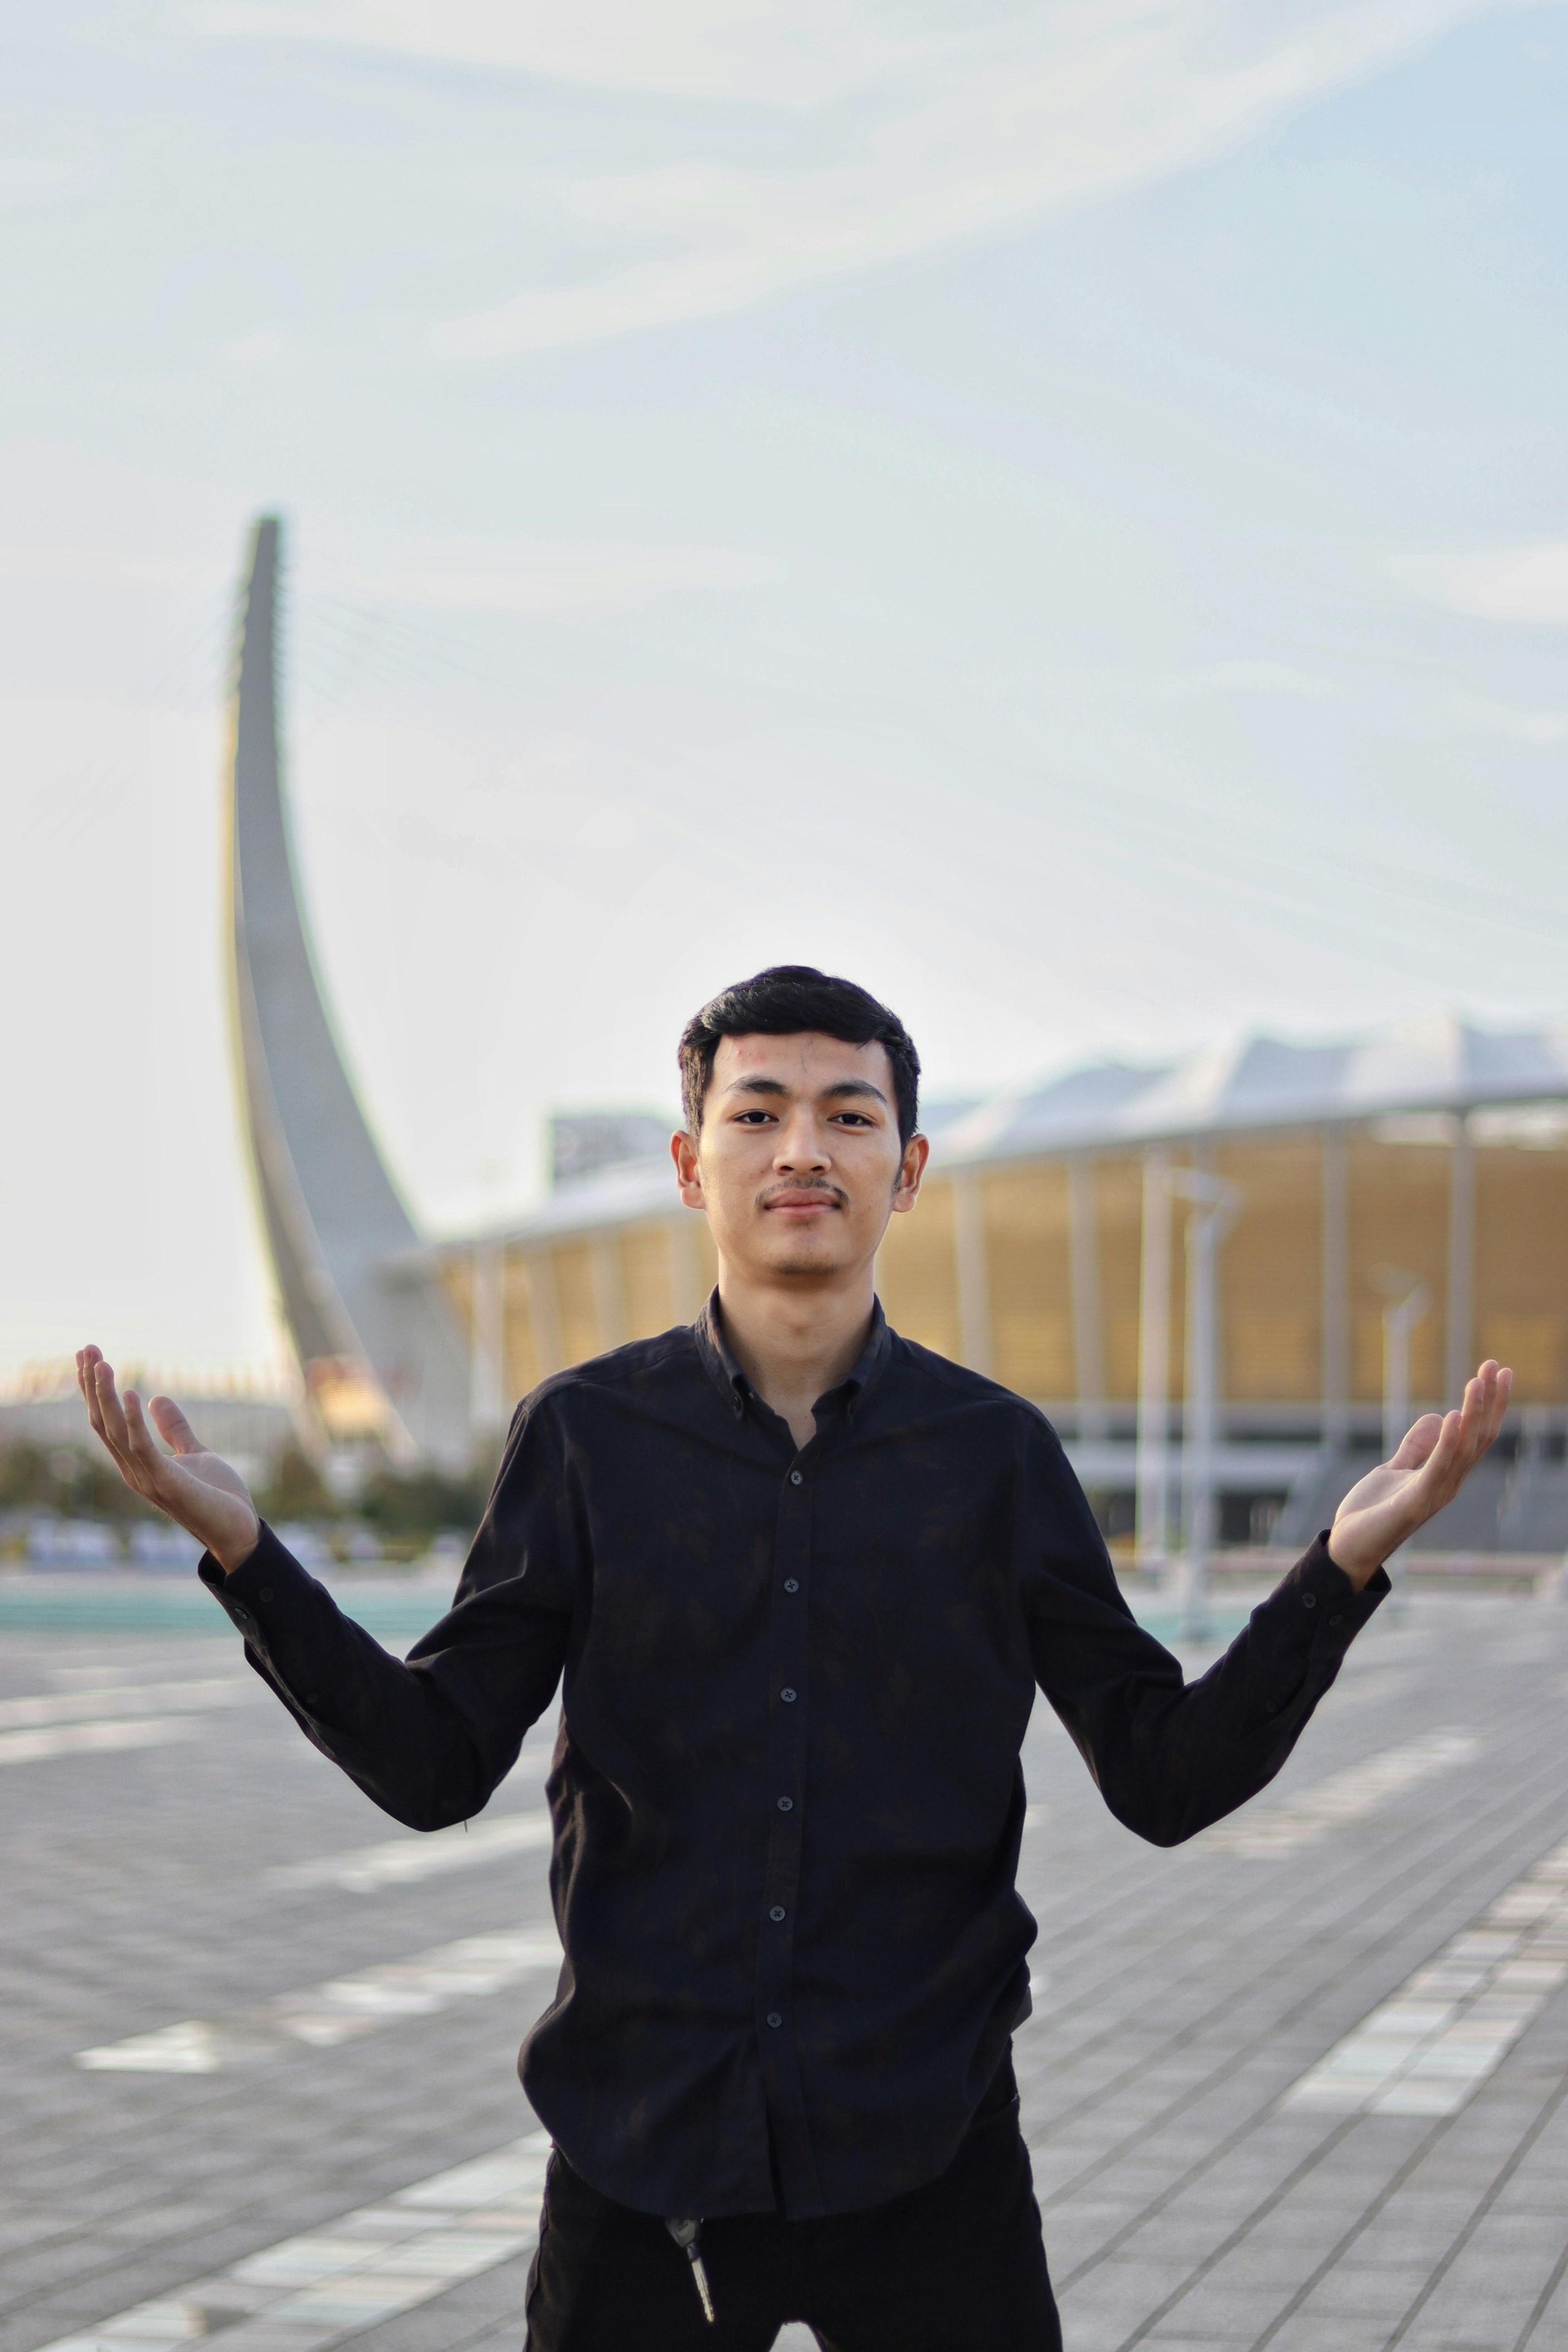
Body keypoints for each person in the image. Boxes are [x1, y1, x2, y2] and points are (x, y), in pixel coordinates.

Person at [77, 965, 1510, 2352]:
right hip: (643, 2155)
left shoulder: (993, 1456)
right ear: (693, 1165)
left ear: (910, 1164)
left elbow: (1161, 1774)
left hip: (928, 2152)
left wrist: (1337, 1570)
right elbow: (438, 1760)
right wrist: (250, 1560)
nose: (802, 1150)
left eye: (847, 1113)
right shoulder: (584, 1438)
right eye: (757, 1113)